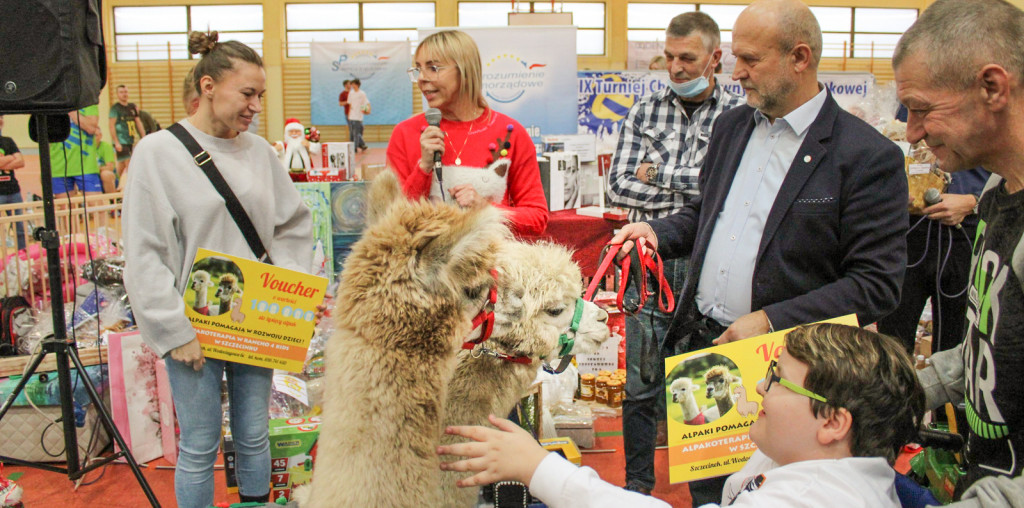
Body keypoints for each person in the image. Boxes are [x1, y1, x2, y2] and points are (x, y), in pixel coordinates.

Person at [610, 0, 908, 503]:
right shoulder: (733, 128)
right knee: (709, 491)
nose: (735, 72)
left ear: (800, 58)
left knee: (775, 490)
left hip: (793, 374)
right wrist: (657, 233)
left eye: (750, 60)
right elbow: (709, 217)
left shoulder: (865, 157)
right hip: (708, 350)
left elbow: (876, 285)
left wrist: (770, 320)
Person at [122, 31, 312, 508]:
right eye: (247, 93)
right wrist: (172, 329)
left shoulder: (261, 154)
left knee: (253, 435)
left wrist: (284, 293)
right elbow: (145, 251)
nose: (255, 106)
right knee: (199, 445)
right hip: (193, 327)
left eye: (260, 96)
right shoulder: (157, 153)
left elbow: (293, 224)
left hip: (255, 321)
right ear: (208, 86)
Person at [439, 323, 925, 508]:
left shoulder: (821, 501)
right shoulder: (798, 461)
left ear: (833, 423)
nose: (760, 385)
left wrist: (539, 468)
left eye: (777, 379)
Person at [607, 11, 744, 497]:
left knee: (704, 382)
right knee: (640, 385)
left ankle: (709, 497)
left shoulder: (740, 117)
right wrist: (697, 177)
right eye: (669, 57)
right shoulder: (645, 112)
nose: (676, 67)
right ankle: (636, 491)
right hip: (649, 261)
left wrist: (657, 172)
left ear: (715, 58)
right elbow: (618, 182)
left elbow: (727, 190)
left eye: (688, 58)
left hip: (709, 265)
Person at [892, 1, 1024, 505]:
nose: (912, 133)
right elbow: (985, 349)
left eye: (923, 109)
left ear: (992, 87)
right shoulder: (995, 195)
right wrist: (896, 392)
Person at [386, 29, 549, 236]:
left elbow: (537, 219)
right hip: (425, 265)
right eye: (418, 69)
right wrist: (424, 168)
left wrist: (486, 209)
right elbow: (390, 222)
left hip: (491, 262)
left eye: (433, 68)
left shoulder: (511, 133)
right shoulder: (405, 134)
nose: (422, 79)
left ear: (464, 70)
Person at [51, 106, 104, 197]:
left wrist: (71, 109)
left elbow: (91, 128)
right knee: (67, 209)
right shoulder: (53, 101)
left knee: (97, 208)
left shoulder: (87, 100)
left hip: (86, 165)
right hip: (59, 166)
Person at [0, 115, 27, 250]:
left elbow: (21, 161)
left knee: (20, 228)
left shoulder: (8, 141)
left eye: (1, 117)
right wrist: (11, 157)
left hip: (13, 191)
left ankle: (22, 254)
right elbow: (16, 159)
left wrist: (3, 162)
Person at [108, 84, 146, 177]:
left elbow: (138, 122)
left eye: (125, 92)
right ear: (117, 94)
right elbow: (111, 125)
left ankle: (119, 179)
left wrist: (144, 137)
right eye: (121, 92)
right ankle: (126, 183)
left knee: (122, 163)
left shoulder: (132, 107)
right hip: (121, 140)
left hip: (130, 139)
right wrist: (116, 142)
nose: (124, 94)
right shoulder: (115, 108)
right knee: (129, 162)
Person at [346, 78, 369, 152]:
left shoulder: (362, 93)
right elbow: (350, 104)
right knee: (352, 132)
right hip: (352, 115)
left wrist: (365, 110)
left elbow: (365, 103)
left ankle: (355, 147)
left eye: (353, 84)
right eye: (352, 84)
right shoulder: (351, 93)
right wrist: (349, 114)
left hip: (358, 116)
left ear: (357, 85)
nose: (352, 86)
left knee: (357, 133)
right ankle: (361, 145)